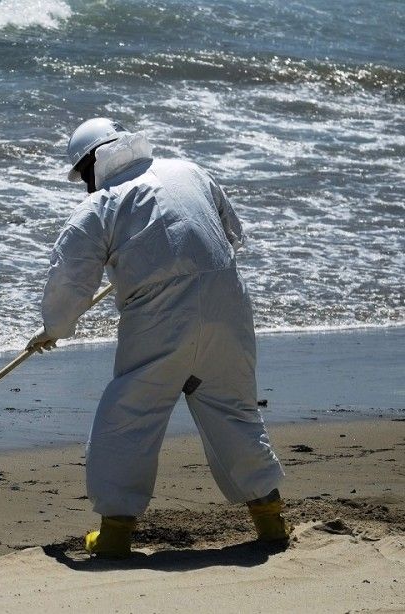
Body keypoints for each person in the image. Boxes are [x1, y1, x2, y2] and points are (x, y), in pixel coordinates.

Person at [27, 118, 288, 558]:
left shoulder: (101, 206)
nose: (84, 185)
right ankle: (270, 522)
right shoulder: (188, 170)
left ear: (93, 163)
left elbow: (69, 279)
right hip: (229, 307)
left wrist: (55, 328)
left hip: (161, 317)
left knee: (128, 415)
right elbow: (230, 234)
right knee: (233, 410)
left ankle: (114, 535)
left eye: (83, 175)